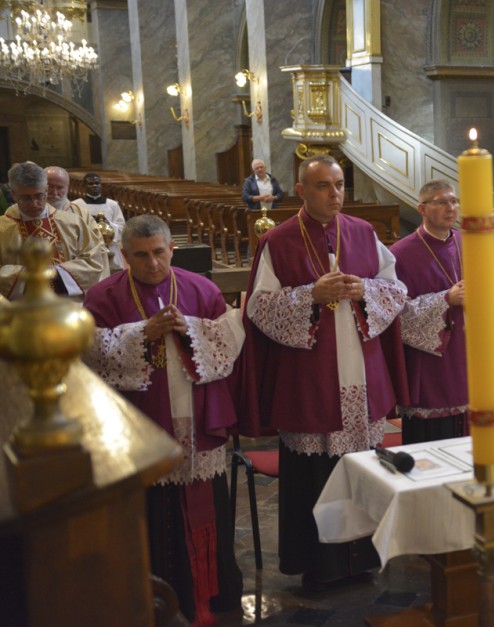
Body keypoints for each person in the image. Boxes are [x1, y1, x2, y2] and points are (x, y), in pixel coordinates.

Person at [241, 155, 408, 585]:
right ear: (300, 190)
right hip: (309, 375)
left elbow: (396, 289)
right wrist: (310, 295)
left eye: (338, 184)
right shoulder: (277, 242)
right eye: (322, 186)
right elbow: (259, 308)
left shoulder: (362, 232)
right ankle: (319, 567)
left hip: (361, 369)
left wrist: (364, 288)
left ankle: (363, 561)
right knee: (315, 474)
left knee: (364, 469)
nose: (334, 194)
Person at [82, 214, 244, 624]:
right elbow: (89, 352)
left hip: (195, 416)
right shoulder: (103, 296)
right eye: (140, 255)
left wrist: (188, 328)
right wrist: (143, 333)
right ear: (123, 255)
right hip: (141, 423)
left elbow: (231, 338)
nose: (152, 263)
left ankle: (210, 594)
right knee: (149, 511)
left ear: (172, 249)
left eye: (158, 253)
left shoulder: (201, 288)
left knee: (205, 507)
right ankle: (144, 597)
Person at [389, 180, 467, 443]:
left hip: (467, 351)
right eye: (441, 202)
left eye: (454, 201)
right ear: (421, 209)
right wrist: (446, 299)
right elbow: (396, 312)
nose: (451, 208)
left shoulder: (467, 242)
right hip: (429, 361)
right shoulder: (400, 253)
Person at [0, 162, 107, 299]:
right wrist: (28, 274)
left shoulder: (73, 223)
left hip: (69, 307)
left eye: (39, 196)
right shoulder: (3, 229)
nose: (34, 204)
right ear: (13, 195)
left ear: (46, 190)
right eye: (25, 198)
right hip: (19, 311)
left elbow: (94, 261)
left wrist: (57, 272)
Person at [45, 165, 110, 280]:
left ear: (68, 187)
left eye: (60, 187)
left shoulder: (81, 214)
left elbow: (96, 252)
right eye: (50, 186)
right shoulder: (28, 213)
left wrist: (61, 272)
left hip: (75, 282)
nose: (54, 192)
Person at [71, 171, 128, 271]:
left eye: (97, 183)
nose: (94, 186)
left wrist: (106, 223)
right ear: (84, 186)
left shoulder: (112, 205)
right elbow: (73, 228)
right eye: (91, 183)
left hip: (110, 249)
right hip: (88, 249)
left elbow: (121, 228)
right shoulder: (76, 205)